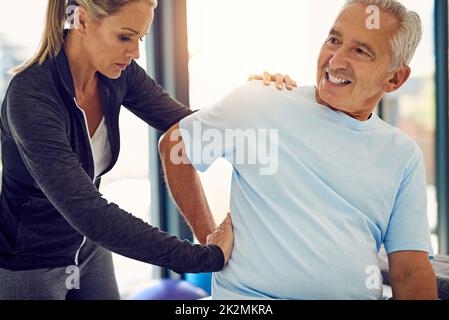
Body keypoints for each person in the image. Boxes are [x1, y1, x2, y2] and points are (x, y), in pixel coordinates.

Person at [0, 0, 294, 300]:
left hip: (86, 248)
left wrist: (256, 100)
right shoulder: (31, 97)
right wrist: (204, 257)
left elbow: (191, 126)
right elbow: (87, 211)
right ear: (83, 21)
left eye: (140, 39)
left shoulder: (116, 74)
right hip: (29, 263)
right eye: (125, 37)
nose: (136, 53)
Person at [159, 0, 438, 300]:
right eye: (334, 40)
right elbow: (176, 146)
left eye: (360, 51)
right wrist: (209, 245)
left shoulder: (402, 155)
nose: (336, 60)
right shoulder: (261, 102)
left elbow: (410, 270)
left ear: (395, 78)